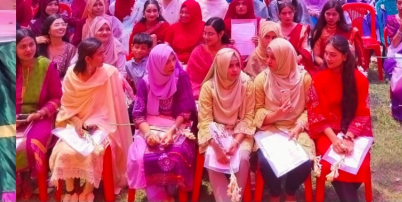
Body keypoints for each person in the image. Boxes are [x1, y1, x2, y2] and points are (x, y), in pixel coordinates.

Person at [50, 38, 133, 202]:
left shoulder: (110, 73)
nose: (105, 56)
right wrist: (77, 122)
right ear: (88, 58)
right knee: (65, 150)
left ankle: (88, 190)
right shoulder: (71, 75)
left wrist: (96, 123)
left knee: (95, 151)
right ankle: (71, 190)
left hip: (104, 126)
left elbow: (113, 109)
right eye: (100, 54)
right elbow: (67, 106)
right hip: (75, 123)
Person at [126, 44, 197, 202]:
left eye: (173, 59)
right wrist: (148, 134)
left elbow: (185, 111)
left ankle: (167, 192)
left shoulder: (180, 78)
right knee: (139, 157)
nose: (172, 65)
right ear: (156, 63)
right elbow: (138, 115)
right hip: (149, 127)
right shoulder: (146, 82)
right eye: (166, 62)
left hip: (177, 126)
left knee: (176, 153)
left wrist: (172, 132)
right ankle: (161, 197)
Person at [306, 36, 373, 202]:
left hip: (354, 131)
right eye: (326, 53)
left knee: (360, 163)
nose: (328, 58)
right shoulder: (319, 79)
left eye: (333, 54)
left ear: (344, 56)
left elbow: (362, 113)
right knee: (336, 162)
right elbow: (316, 114)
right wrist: (335, 140)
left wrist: (349, 137)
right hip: (327, 132)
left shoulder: (360, 79)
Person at [253, 39, 315, 202]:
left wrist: (298, 127)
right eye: (267, 56)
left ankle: (290, 191)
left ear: (285, 57)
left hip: (296, 127)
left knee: (305, 160)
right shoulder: (261, 79)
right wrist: (276, 115)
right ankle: (274, 193)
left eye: (273, 57)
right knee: (265, 161)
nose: (268, 61)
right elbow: (257, 110)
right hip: (270, 128)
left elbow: (310, 110)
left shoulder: (304, 79)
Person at [198, 49, 255, 202]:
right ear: (221, 66)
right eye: (230, 65)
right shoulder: (209, 87)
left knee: (243, 158)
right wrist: (217, 148)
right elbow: (204, 121)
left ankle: (235, 199)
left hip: (240, 133)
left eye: (237, 65)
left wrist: (235, 142)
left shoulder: (246, 84)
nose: (235, 69)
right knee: (212, 157)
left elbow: (249, 117)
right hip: (216, 134)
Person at [17, 28, 63, 200]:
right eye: (22, 46)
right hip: (12, 117)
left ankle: (31, 180)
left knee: (33, 144)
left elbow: (56, 97)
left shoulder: (45, 65)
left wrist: (41, 113)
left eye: (31, 44)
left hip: (41, 116)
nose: (28, 49)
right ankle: (16, 180)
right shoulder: (7, 67)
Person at [186, 17, 236, 99]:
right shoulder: (198, 52)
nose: (206, 37)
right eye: (204, 33)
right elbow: (190, 80)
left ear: (221, 34)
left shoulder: (231, 51)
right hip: (201, 93)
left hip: (228, 93)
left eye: (210, 34)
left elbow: (237, 75)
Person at [310, 1, 361, 71]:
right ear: (323, 15)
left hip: (344, 68)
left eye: (334, 14)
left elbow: (352, 55)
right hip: (325, 67)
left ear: (339, 16)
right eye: (328, 14)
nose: (331, 17)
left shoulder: (348, 32)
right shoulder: (319, 32)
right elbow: (316, 56)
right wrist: (328, 66)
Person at [39, 14, 78, 79]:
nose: (61, 27)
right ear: (48, 30)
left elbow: (71, 73)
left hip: (62, 83)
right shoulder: (41, 46)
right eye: (56, 25)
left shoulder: (70, 49)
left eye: (63, 24)